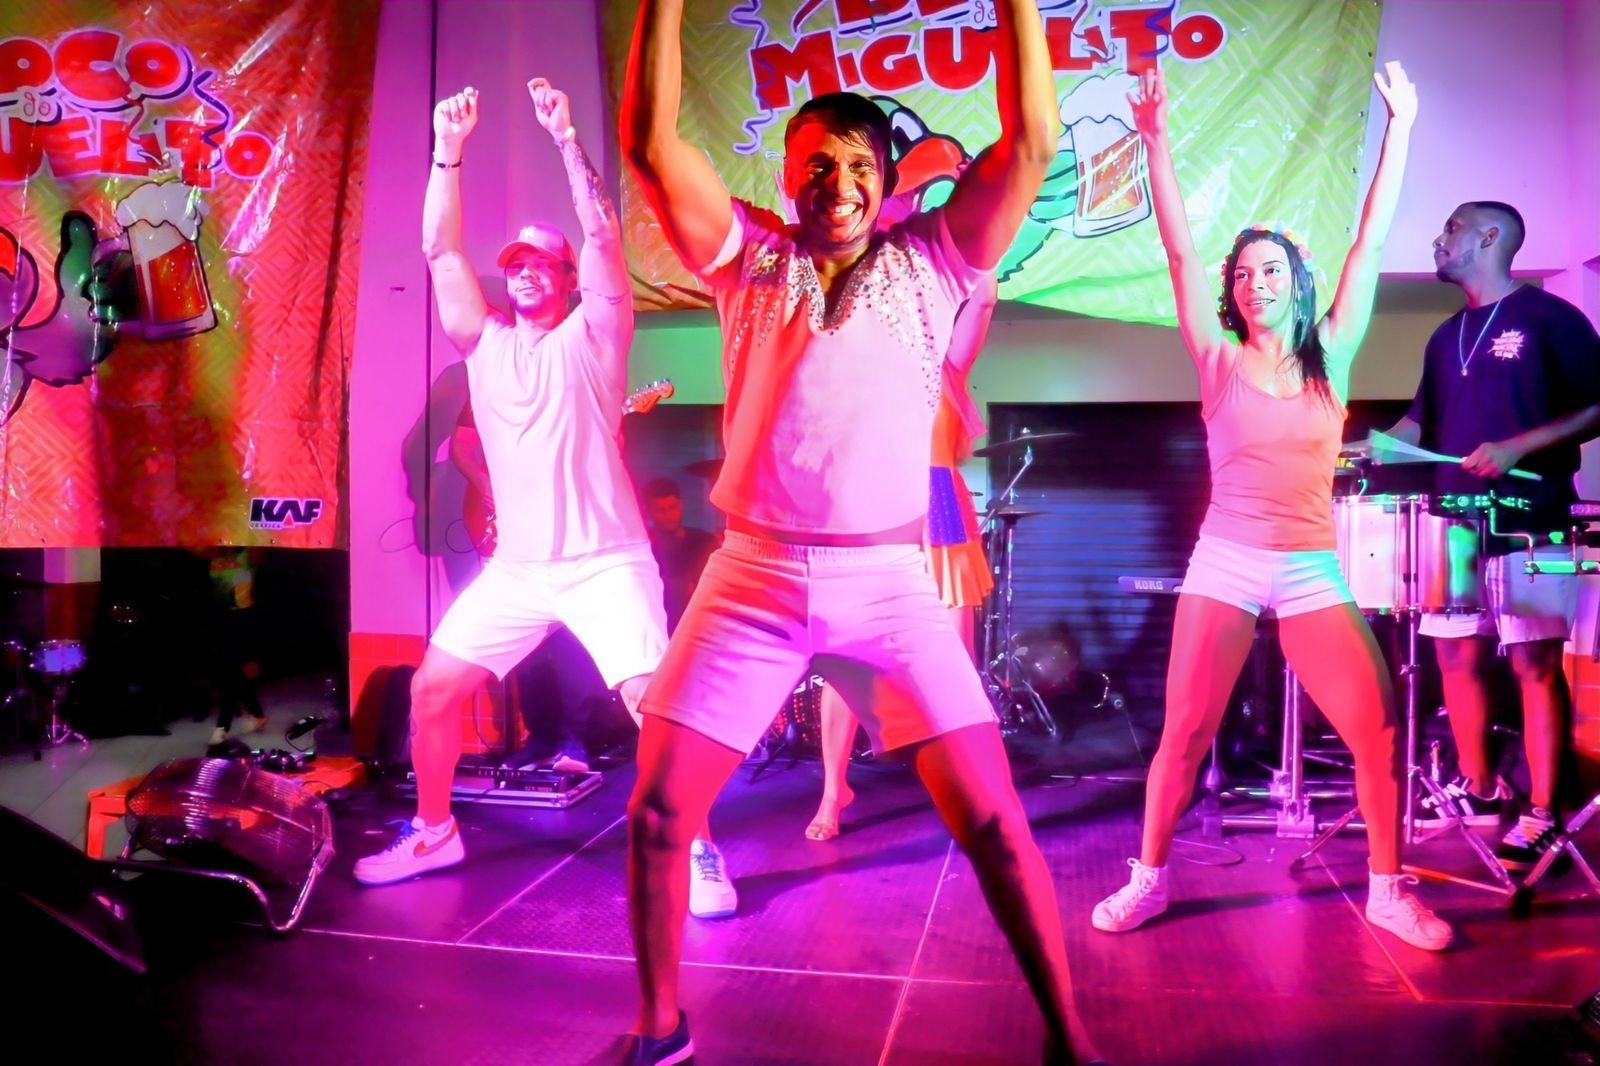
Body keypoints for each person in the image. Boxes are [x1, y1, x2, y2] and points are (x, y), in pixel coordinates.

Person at [622, 3, 1101, 1063]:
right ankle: (658, 1030)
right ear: (787, 174)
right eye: (815, 164)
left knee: (996, 826)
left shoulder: (938, 259)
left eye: (855, 166)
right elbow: (651, 143)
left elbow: (1030, 141)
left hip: (887, 586)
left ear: (885, 181)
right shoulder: (746, 254)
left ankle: (1071, 1038)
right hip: (750, 576)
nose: (835, 184)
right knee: (656, 815)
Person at [1090, 63, 1453, 952]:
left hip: (1308, 566)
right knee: (1185, 733)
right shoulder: (1217, 361)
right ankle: (1148, 881)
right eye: (1244, 274)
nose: (1255, 282)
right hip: (1225, 559)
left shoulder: (1334, 352)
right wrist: (1154, 140)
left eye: (1271, 269)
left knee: (1378, 728)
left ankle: (1388, 891)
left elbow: (1370, 240)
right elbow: (1180, 254)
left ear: (1296, 280)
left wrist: (1402, 128)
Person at [352, 79, 671, 887]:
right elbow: (439, 251)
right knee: (432, 691)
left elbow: (602, 234)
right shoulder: (484, 344)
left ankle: (691, 846)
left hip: (605, 562)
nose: (524, 273)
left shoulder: (596, 336)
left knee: (656, 705)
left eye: (540, 264)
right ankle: (433, 834)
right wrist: (447, 149)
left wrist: (565, 136)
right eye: (515, 264)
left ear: (567, 277)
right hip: (521, 569)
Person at [1384, 201, 1600, 871]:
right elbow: (1420, 423)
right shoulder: (1444, 335)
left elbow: (1597, 405)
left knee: (1535, 665)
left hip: (1531, 520)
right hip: (1456, 525)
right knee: (1455, 657)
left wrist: (1517, 446)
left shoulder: (1549, 317)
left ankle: (1543, 813)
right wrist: (1367, 447)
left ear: (1489, 236)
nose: (1438, 239)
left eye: (1450, 228)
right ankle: (1480, 789)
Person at [807, 275, 999, 842]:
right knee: (845, 663)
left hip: (940, 513)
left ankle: (970, 785)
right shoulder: (854, 367)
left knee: (954, 665)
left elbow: (984, 299)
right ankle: (832, 791)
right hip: (872, 515)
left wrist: (981, 245)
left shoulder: (945, 365)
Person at [200, 546, 268, 747]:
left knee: (229, 672)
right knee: (232, 671)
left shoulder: (248, 554)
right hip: (221, 618)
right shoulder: (213, 556)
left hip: (244, 618)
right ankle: (257, 714)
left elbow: (263, 545)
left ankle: (222, 726)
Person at [640, 478, 719, 632]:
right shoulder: (644, 548)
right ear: (648, 512)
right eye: (660, 510)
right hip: (658, 626)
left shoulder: (704, 542)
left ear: (681, 505)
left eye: (673, 507)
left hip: (699, 625)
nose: (668, 514)